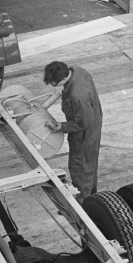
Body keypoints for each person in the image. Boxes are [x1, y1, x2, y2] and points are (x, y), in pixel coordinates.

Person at [43, 61, 103, 202]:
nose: (53, 85)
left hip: (84, 132)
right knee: (89, 163)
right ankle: (91, 196)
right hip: (92, 119)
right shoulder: (77, 69)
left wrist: (62, 127)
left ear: (63, 78)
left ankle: (84, 204)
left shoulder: (77, 96)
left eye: (54, 83)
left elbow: (84, 122)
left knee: (80, 167)